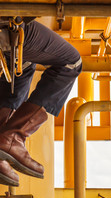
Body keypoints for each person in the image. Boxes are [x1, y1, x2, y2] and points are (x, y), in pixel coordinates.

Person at [0, 17, 82, 186]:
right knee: (72, 63)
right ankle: (13, 137)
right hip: (6, 24)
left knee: (23, 63)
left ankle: (3, 141)